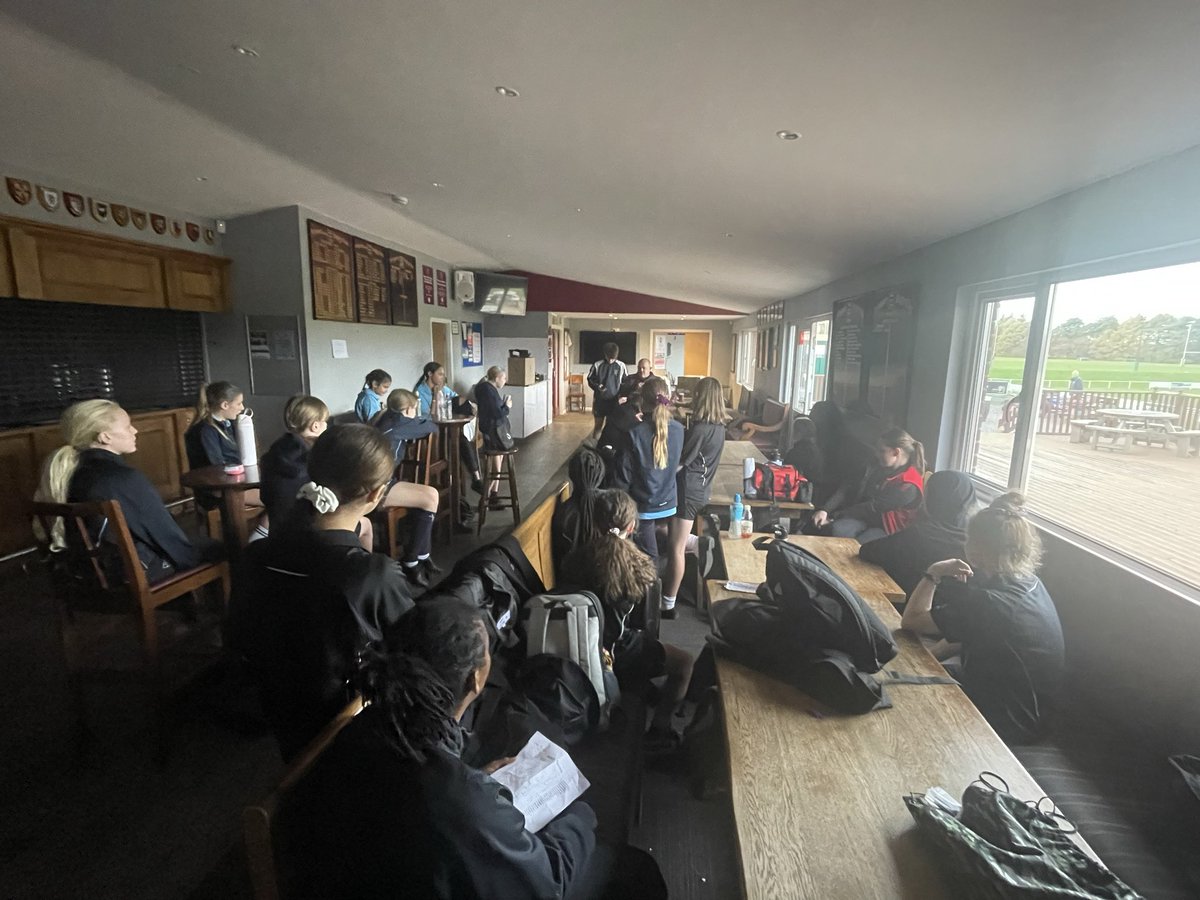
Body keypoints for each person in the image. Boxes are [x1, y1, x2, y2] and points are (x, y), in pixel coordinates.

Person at [231, 424, 415, 760]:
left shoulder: (255, 556)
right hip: (354, 725)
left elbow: (239, 636)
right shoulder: (371, 574)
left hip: (281, 716)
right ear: (375, 494)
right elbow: (413, 651)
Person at [900, 492, 1065, 744]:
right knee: (901, 675)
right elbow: (967, 632)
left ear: (976, 551)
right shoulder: (1028, 582)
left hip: (1010, 722)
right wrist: (925, 659)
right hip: (1032, 710)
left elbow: (912, 620)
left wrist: (934, 572)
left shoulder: (989, 602)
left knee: (900, 704)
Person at [34, 399, 223, 583]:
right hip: (128, 573)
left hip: (84, 572)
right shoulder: (121, 478)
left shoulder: (67, 472)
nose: (135, 430)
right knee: (223, 548)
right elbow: (164, 535)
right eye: (127, 427)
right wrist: (193, 557)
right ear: (104, 437)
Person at [578, 490, 695, 751]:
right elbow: (644, 622)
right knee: (685, 663)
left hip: (582, 642)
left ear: (595, 523)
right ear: (632, 526)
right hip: (620, 650)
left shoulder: (576, 558)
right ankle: (660, 728)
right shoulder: (640, 566)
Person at [661, 376, 726, 619]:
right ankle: (697, 543)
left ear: (702, 397)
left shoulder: (700, 429)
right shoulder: (719, 428)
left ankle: (667, 604)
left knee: (675, 549)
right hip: (702, 489)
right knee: (661, 528)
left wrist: (660, 478)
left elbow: (681, 463)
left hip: (688, 491)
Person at [859, 470, 976, 596]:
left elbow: (868, 551)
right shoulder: (974, 543)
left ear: (933, 500)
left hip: (904, 602)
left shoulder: (921, 535)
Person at [372, 389, 442, 585]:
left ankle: (423, 556)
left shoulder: (386, 418)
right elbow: (432, 427)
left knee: (430, 497)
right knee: (430, 498)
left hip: (379, 479)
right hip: (377, 486)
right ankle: (411, 562)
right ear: (408, 409)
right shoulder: (399, 424)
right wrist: (418, 421)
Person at [808, 426, 925, 543]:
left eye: (881, 451)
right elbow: (848, 486)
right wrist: (825, 510)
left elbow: (873, 508)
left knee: (859, 546)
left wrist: (835, 516)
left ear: (896, 452)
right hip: (869, 520)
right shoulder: (879, 467)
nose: (876, 454)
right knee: (836, 530)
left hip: (890, 530)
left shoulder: (908, 484)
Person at [184, 381, 267, 538]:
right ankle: (255, 540)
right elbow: (216, 468)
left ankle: (259, 534)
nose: (242, 408)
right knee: (278, 497)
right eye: (239, 403)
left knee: (282, 493)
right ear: (224, 405)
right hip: (218, 491)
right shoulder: (206, 431)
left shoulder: (229, 424)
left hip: (236, 484)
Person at [625, 377, 684, 562]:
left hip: (644, 505)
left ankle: (653, 574)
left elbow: (624, 475)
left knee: (648, 558)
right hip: (669, 502)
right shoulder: (679, 429)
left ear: (642, 401)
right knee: (669, 544)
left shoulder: (634, 433)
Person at [415, 361, 483, 495]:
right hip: (430, 430)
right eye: (440, 374)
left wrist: (469, 405)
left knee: (460, 437)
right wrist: (435, 396)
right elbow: (429, 416)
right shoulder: (420, 391)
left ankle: (474, 478)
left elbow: (457, 398)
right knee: (459, 440)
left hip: (445, 428)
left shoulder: (443, 388)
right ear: (430, 374)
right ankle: (472, 477)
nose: (442, 377)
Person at [552, 446, 607, 567]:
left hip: (574, 575)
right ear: (601, 475)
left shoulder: (564, 513)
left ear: (572, 475)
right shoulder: (611, 505)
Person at [475, 365, 515, 508]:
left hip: (493, 431)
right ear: (497, 378)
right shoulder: (488, 390)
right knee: (496, 469)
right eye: (503, 378)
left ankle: (493, 495)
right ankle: (486, 497)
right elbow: (497, 413)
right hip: (493, 432)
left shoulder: (485, 389)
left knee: (497, 465)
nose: (505, 380)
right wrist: (507, 406)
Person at [586, 342, 627, 439]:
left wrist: (622, 396)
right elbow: (590, 379)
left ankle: (608, 446)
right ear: (605, 354)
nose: (611, 360)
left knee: (611, 428)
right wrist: (597, 386)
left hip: (614, 402)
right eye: (609, 358)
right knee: (598, 427)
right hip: (599, 401)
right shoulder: (597, 365)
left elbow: (625, 383)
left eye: (613, 358)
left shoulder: (621, 366)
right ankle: (595, 446)